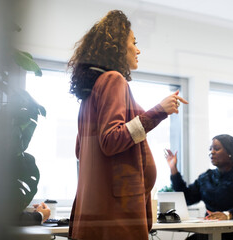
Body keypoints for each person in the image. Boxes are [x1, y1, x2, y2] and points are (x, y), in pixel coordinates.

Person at [67, 10, 188, 240]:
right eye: (134, 42)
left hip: (97, 212)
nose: (138, 49)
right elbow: (111, 140)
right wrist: (159, 111)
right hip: (116, 216)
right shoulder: (114, 80)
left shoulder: (91, 93)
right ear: (117, 47)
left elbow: (79, 150)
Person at [165, 134, 233, 240]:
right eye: (210, 149)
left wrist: (227, 214)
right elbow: (187, 198)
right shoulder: (206, 177)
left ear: (230, 152)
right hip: (213, 230)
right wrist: (173, 170)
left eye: (216, 149)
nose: (211, 152)